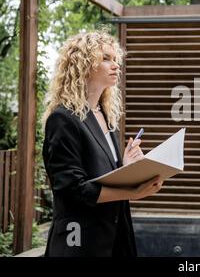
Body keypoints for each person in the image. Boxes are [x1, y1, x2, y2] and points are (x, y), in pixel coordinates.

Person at [41, 29, 162, 257]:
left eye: (115, 59)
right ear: (83, 65)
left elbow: (102, 175)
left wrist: (127, 166)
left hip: (114, 236)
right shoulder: (62, 118)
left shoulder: (105, 117)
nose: (115, 65)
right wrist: (132, 192)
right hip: (79, 241)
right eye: (105, 58)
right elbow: (73, 189)